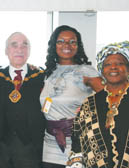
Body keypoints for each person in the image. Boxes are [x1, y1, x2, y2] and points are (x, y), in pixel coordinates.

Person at [40, 25, 103, 168]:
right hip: (49, 144)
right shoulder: (48, 72)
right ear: (54, 45)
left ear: (78, 46)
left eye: (72, 42)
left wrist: (89, 112)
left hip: (77, 143)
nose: (67, 45)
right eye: (61, 41)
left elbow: (109, 99)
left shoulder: (86, 71)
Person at [67, 41, 129, 168]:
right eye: (107, 64)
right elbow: (77, 141)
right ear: (101, 70)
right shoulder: (89, 103)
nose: (113, 67)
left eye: (120, 63)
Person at [0, 32, 46, 168]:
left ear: (29, 51)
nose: (19, 49)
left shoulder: (42, 77)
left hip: (31, 148)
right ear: (6, 51)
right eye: (14, 45)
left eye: (24, 45)